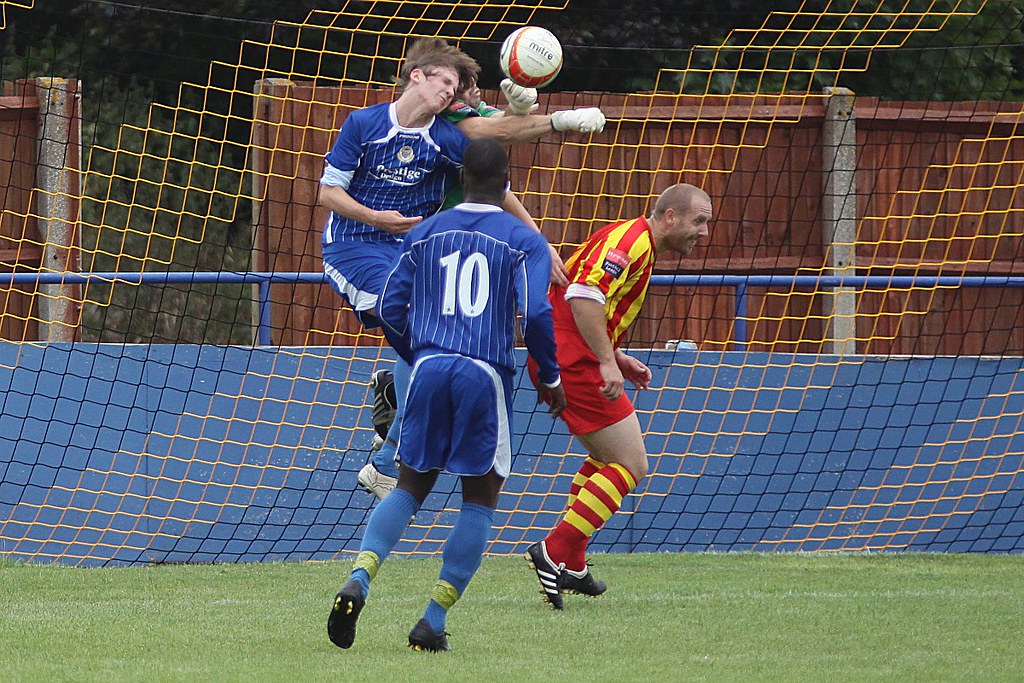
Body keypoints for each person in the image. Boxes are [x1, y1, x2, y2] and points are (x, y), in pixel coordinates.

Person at [317, 37, 601, 500]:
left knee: (445, 336)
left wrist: (540, 241)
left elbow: (498, 173)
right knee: (420, 325)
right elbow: (328, 193)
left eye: (457, 86)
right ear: (417, 76)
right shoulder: (364, 124)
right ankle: (394, 443)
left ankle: (390, 437)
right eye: (445, 81)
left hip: (412, 251)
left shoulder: (448, 136)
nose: (451, 91)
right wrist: (377, 218)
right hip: (355, 247)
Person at [327, 138, 566, 652]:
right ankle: (432, 621)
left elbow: (389, 307)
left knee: (409, 487)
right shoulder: (523, 239)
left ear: (462, 179)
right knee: (480, 498)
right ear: (507, 184)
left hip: (430, 367)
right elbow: (537, 313)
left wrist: (417, 355)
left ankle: (360, 576)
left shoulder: (426, 231)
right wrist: (549, 377)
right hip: (483, 373)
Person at [524, 183, 713, 610]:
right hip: (571, 359)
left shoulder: (634, 240)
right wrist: (606, 361)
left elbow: (584, 298)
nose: (704, 232)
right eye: (699, 221)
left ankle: (572, 562)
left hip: (564, 352)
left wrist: (617, 357)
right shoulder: (632, 243)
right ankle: (555, 550)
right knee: (631, 464)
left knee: (607, 458)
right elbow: (582, 296)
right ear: (670, 217)